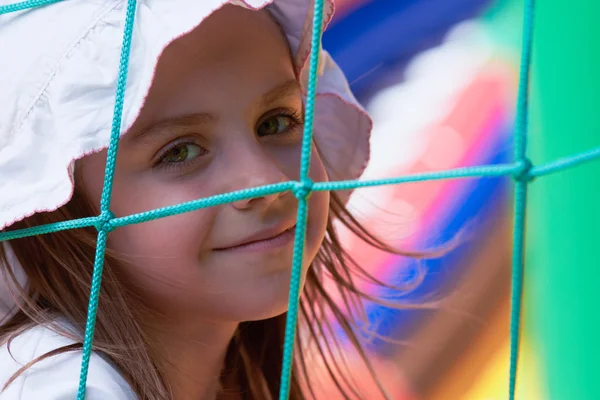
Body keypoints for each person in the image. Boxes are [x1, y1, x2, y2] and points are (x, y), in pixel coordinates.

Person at [0, 1, 423, 398]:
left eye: (276, 122)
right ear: (54, 204)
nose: (267, 181)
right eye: (180, 152)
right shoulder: (63, 387)